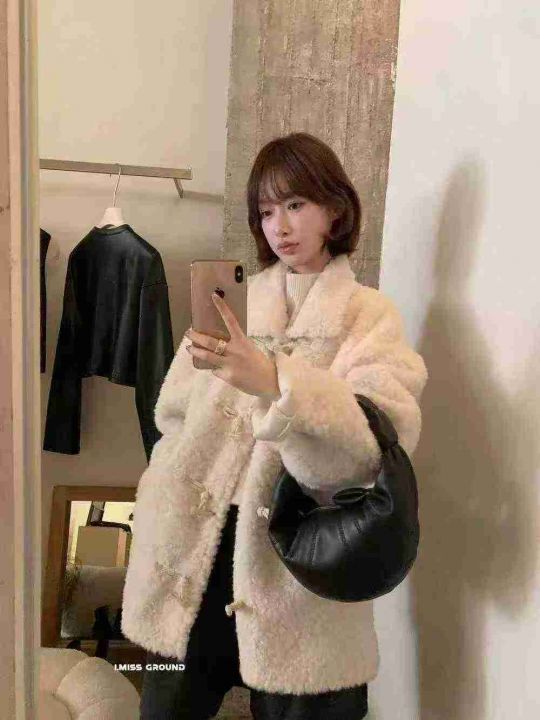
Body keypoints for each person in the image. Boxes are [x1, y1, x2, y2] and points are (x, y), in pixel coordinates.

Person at [121, 132, 429, 719]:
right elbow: (172, 419)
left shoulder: (368, 317)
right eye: (265, 211)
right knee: (164, 706)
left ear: (334, 209)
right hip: (191, 555)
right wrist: (162, 494)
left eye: (295, 204)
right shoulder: (230, 305)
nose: (279, 227)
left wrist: (275, 381)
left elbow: (374, 449)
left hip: (297, 564)